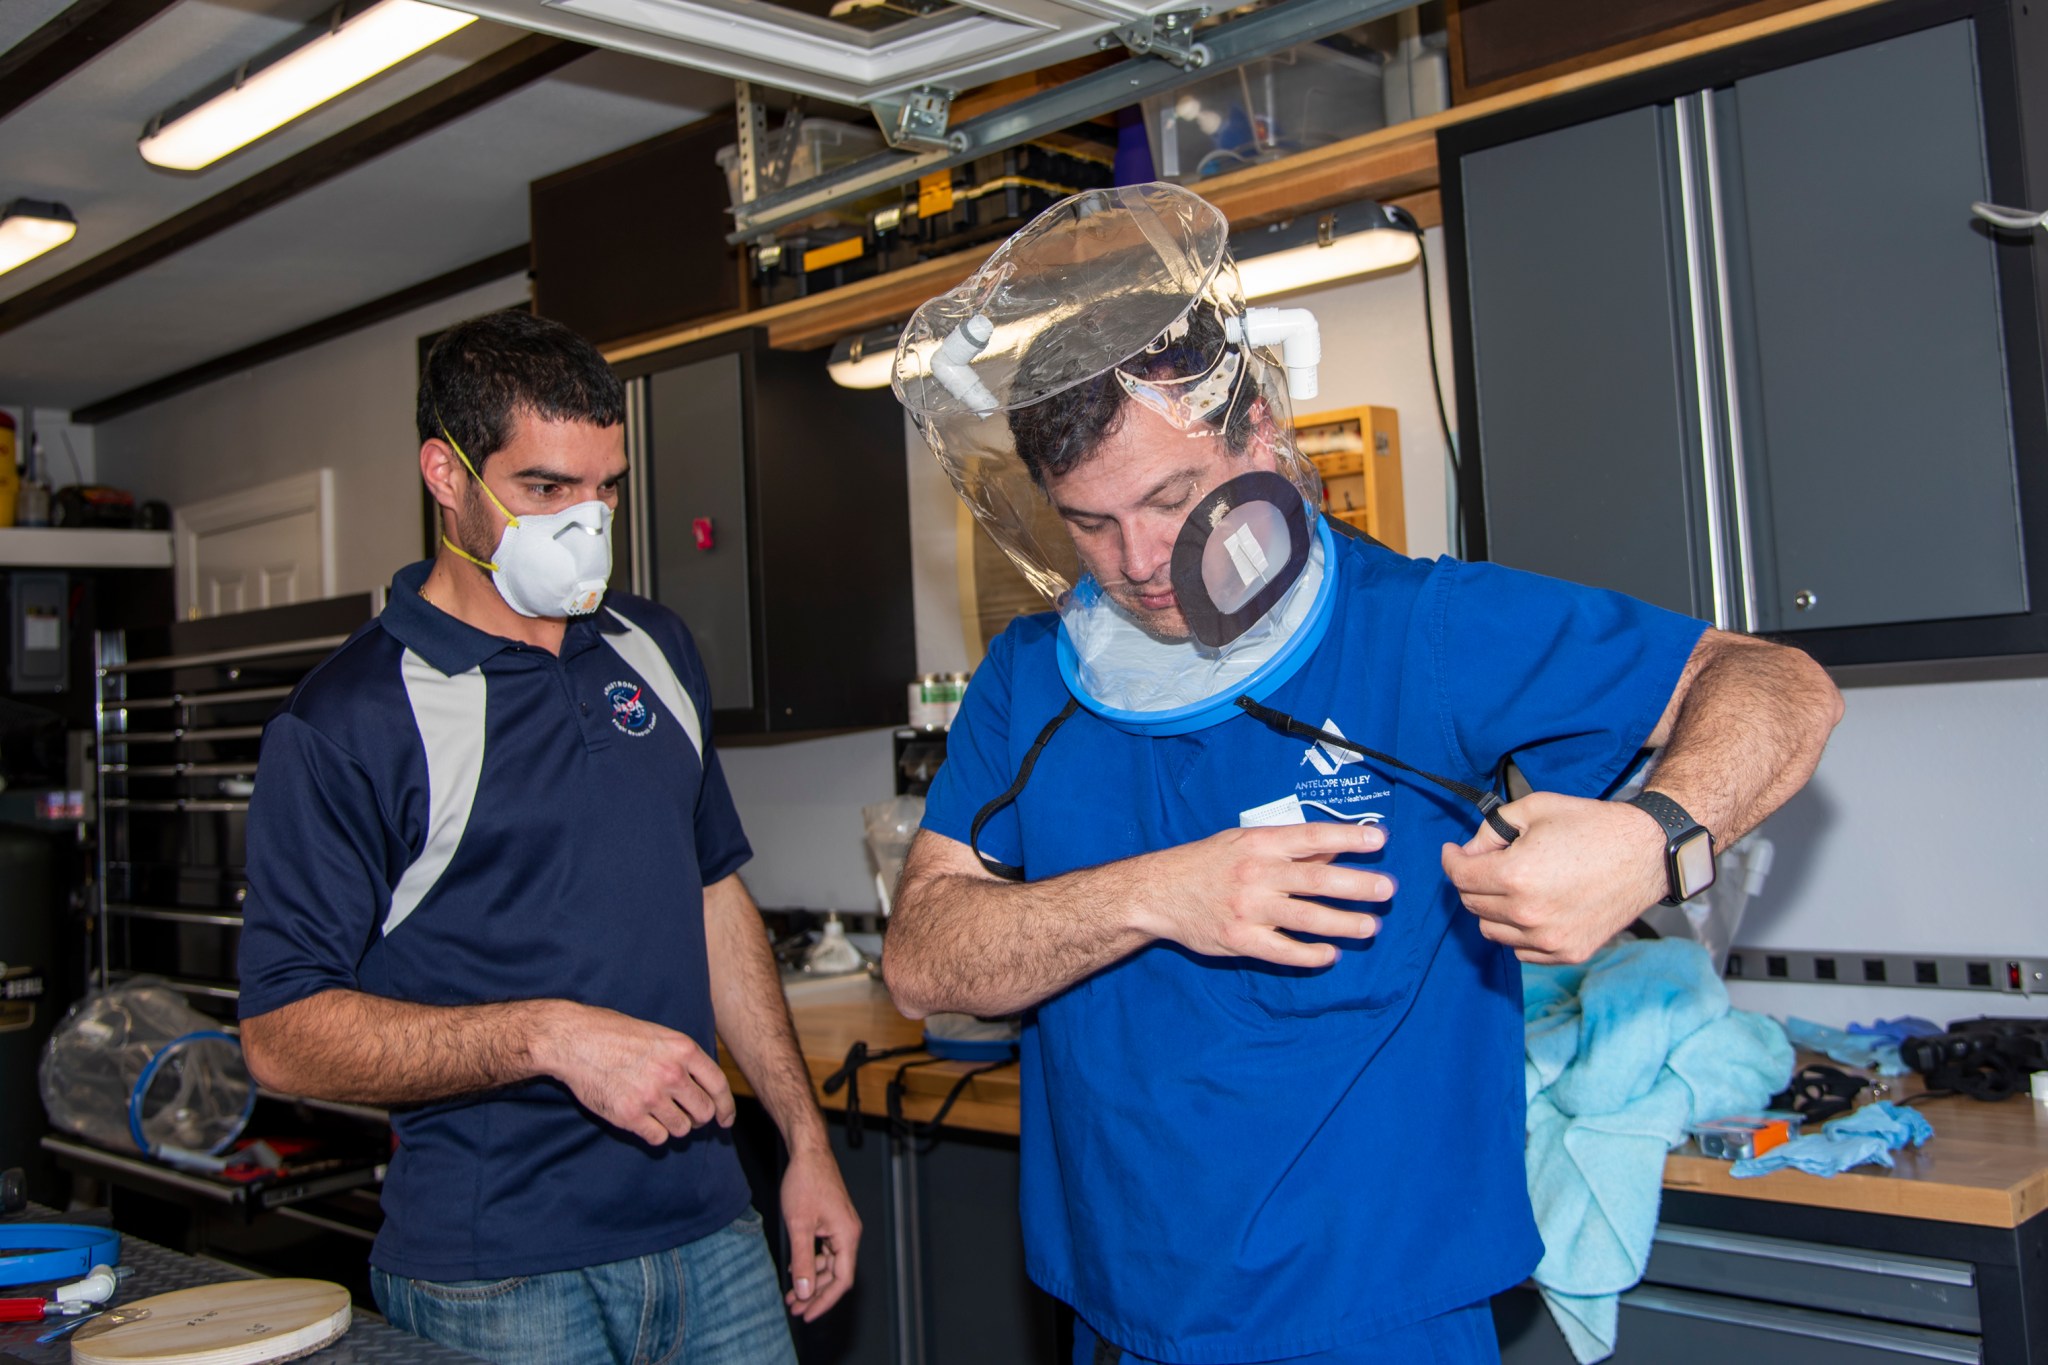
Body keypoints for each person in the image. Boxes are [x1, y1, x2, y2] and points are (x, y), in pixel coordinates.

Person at [881, 184, 1841, 1364]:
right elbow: (924, 960)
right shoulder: (1034, 675)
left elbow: (1771, 681)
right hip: (1115, 1309)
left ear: (1259, 437)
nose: (1135, 563)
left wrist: (1652, 834)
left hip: (1372, 1312)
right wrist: (1154, 893)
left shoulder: (1419, 630)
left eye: (1169, 500)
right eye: (1087, 523)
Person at [236, 310, 858, 1365]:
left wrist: (804, 1142)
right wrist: (547, 1037)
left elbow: (714, 899)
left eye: (606, 486)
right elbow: (281, 1034)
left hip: (711, 1232)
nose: (588, 520)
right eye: (544, 489)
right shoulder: (350, 720)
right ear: (445, 474)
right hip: (496, 1272)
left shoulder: (653, 646)